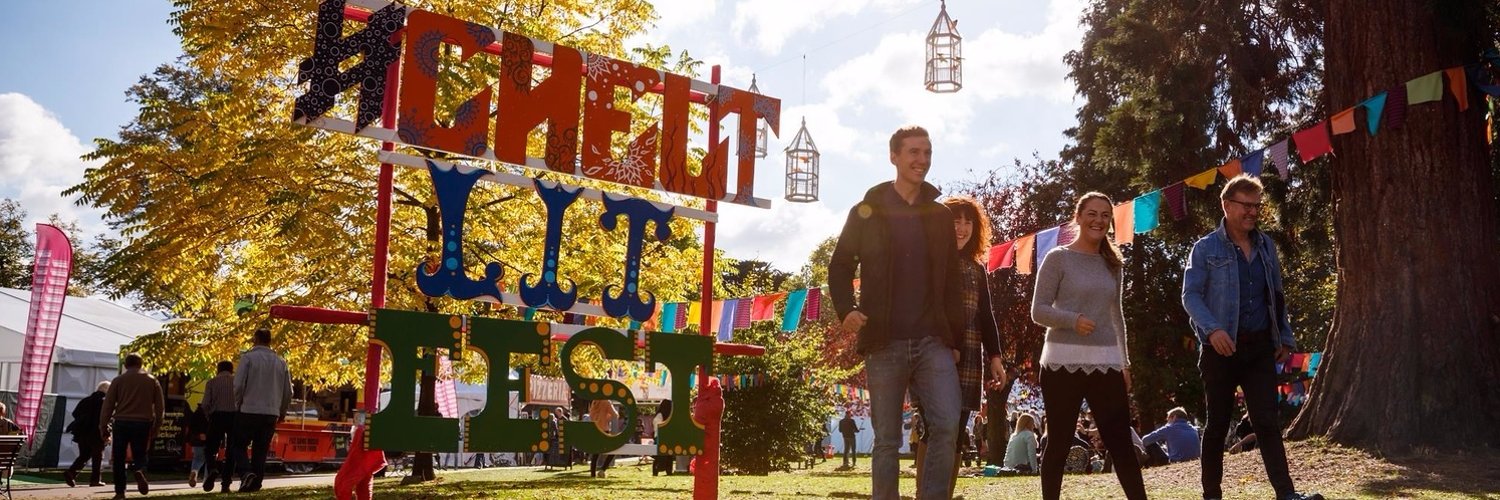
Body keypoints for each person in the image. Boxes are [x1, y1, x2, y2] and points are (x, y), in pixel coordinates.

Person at [829, 125, 965, 500]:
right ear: (894, 156)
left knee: (946, 425)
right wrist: (846, 309)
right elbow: (840, 265)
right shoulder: (867, 211)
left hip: (933, 340)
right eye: (913, 152)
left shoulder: (939, 215)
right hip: (883, 341)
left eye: (927, 152)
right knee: (887, 440)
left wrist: (954, 340)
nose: (922, 160)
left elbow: (952, 283)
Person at [1182, 174, 1323, 500]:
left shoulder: (1266, 246)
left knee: (1266, 423)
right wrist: (1213, 330)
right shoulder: (1205, 249)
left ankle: (1287, 495)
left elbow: (1275, 294)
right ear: (1227, 205)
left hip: (1260, 347)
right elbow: (1190, 296)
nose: (1253, 212)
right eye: (1246, 206)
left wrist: (1285, 338)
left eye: (1257, 206)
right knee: (1216, 425)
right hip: (1219, 349)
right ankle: (1211, 496)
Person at [1030, 192, 1147, 500]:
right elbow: (1038, 310)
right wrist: (1072, 319)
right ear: (1078, 217)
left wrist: (1125, 363)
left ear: (1110, 221)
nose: (1098, 220)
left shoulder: (1113, 263)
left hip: (1106, 364)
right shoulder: (1058, 258)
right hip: (1060, 364)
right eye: (1092, 214)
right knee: (1059, 441)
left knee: (1121, 441)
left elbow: (1116, 316)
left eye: (1105, 215)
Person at [222, 327, 293, 493]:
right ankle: (255, 485)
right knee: (260, 450)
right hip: (271, 412)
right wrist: (281, 411)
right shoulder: (281, 362)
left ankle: (246, 472)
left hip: (249, 408)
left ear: (256, 339)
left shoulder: (248, 358)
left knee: (238, 445)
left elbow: (238, 385)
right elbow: (288, 391)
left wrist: (238, 403)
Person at [100, 353, 165, 499]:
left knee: (119, 457)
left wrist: (103, 425)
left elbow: (108, 405)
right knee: (140, 453)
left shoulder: (118, 380)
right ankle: (139, 469)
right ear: (141, 364)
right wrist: (157, 425)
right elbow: (160, 407)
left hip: (121, 421)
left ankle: (120, 491)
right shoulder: (152, 381)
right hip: (143, 422)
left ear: (125, 365)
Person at [64, 381, 109, 487]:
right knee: (97, 457)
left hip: (82, 433)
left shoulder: (86, 400)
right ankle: (95, 480)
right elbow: (106, 418)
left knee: (84, 455)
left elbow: (75, 413)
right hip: (97, 433)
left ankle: (71, 473)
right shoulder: (104, 402)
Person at [200, 360, 236, 492]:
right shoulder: (237, 382)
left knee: (210, 448)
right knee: (232, 451)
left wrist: (209, 416)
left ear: (218, 369)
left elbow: (205, 404)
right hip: (234, 417)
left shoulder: (212, 382)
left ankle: (213, 468)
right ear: (231, 370)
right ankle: (226, 484)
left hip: (217, 416)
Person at [588, 399, 618, 478]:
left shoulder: (594, 401)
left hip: (595, 430)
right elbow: (615, 415)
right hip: (604, 430)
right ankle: (603, 469)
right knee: (614, 449)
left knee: (595, 454)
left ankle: (593, 474)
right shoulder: (606, 402)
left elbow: (591, 415)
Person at [652, 399, 675, 476]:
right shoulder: (660, 415)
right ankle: (658, 468)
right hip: (660, 437)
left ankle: (669, 470)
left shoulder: (668, 416)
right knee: (661, 456)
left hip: (667, 437)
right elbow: (657, 427)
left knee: (669, 455)